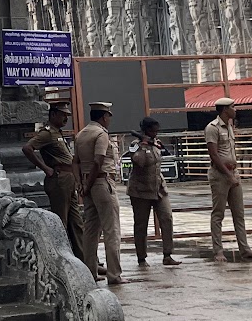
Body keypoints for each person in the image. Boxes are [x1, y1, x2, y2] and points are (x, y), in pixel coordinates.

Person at [23, 102, 86, 260]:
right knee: (61, 223)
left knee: (76, 223)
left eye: (67, 115)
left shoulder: (58, 133)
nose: (66, 117)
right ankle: (61, 260)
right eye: (63, 114)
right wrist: (45, 168)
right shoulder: (47, 133)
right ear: (53, 115)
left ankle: (85, 262)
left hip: (68, 178)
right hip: (59, 179)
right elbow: (27, 148)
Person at [205, 98, 252, 262]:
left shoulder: (229, 126)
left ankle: (244, 248)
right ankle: (218, 251)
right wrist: (229, 175)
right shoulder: (212, 128)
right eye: (232, 107)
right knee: (218, 213)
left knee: (239, 213)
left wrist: (233, 174)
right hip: (220, 174)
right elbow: (214, 155)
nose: (235, 109)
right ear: (224, 110)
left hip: (232, 172)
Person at [73, 100, 123, 285]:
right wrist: (90, 183)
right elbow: (98, 161)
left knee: (91, 231)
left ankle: (90, 273)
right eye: (108, 116)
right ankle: (114, 275)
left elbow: (75, 162)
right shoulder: (101, 134)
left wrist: (81, 183)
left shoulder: (81, 134)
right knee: (112, 230)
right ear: (104, 116)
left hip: (87, 183)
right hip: (102, 182)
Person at [129, 117, 180, 267]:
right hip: (140, 190)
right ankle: (141, 257)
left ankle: (167, 254)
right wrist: (144, 145)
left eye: (157, 131)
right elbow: (139, 162)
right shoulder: (135, 145)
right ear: (146, 130)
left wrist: (153, 144)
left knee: (167, 218)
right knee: (141, 224)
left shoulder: (156, 143)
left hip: (158, 188)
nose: (155, 133)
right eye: (152, 131)